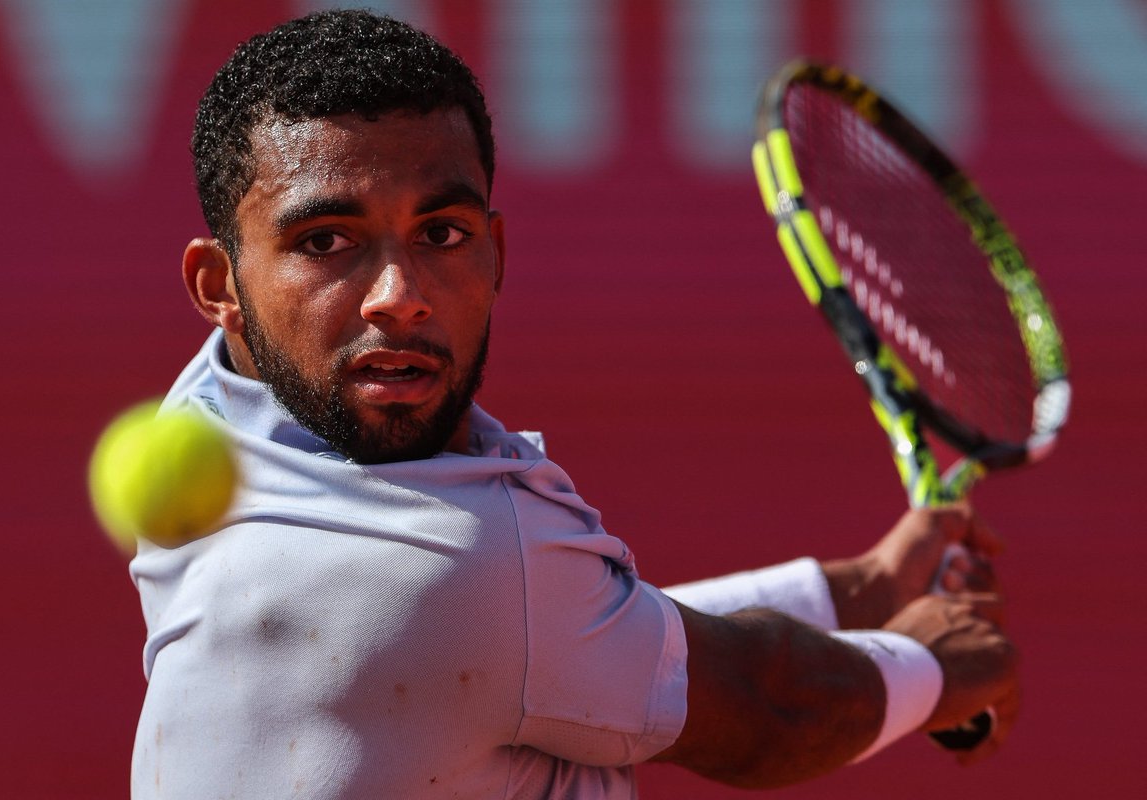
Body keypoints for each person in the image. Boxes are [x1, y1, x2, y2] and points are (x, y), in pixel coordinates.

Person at [129, 9, 1019, 798]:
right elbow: (762, 707)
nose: (398, 294)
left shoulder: (211, 425)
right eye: (327, 242)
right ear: (221, 284)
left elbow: (558, 638)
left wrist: (857, 590)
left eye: (443, 233)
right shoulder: (462, 568)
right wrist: (935, 666)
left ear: (497, 253)